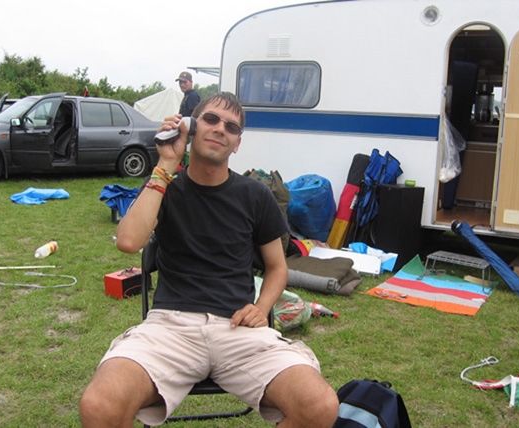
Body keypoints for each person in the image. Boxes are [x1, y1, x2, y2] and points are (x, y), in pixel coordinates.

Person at [79, 91, 339, 428]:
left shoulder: (256, 195)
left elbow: (277, 267)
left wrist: (261, 308)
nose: (220, 129)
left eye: (231, 127)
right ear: (190, 126)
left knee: (320, 406)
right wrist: (166, 164)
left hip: (239, 330)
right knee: (99, 407)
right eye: (211, 119)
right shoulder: (164, 186)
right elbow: (129, 242)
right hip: (170, 328)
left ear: (237, 143)